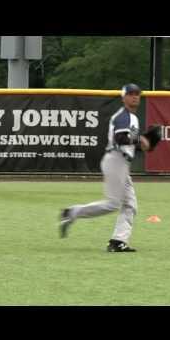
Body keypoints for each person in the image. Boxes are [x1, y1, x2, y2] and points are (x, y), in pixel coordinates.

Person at [59, 83, 151, 252]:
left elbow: (127, 141)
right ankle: (72, 213)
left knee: (130, 204)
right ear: (123, 97)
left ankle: (117, 241)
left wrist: (143, 143)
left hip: (120, 162)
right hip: (116, 161)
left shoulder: (131, 117)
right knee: (113, 204)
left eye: (137, 93)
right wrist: (141, 140)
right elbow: (120, 138)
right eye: (130, 94)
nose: (135, 96)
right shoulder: (124, 116)